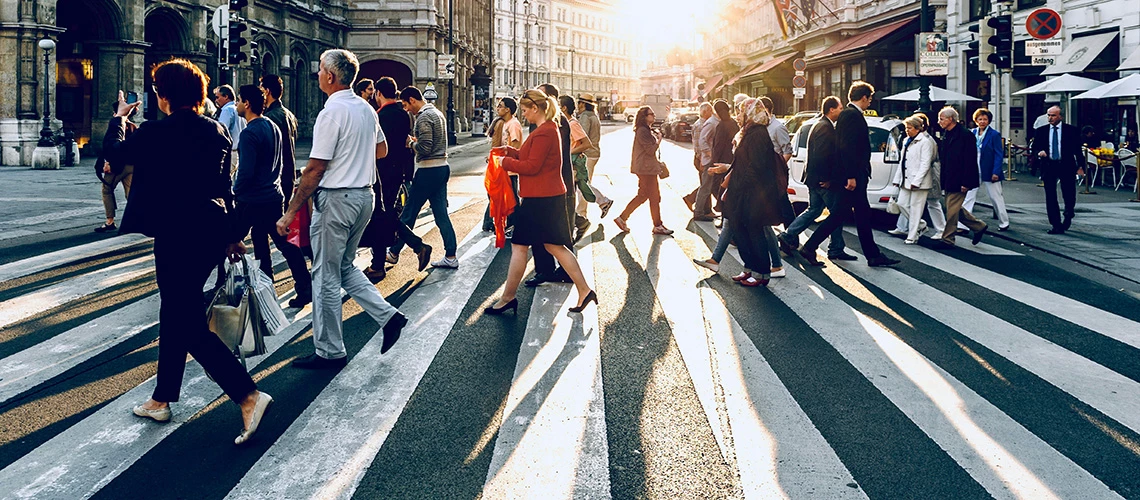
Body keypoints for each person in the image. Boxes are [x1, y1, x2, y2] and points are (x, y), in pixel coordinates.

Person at [103, 59, 271, 444]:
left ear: (164, 96)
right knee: (176, 310)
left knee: (186, 321)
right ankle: (162, 398)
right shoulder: (216, 131)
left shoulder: (156, 132)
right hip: (210, 231)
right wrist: (231, 235)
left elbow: (114, 151)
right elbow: (224, 187)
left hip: (176, 233)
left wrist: (118, 117)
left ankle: (247, 395)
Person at [276, 49, 407, 369]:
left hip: (336, 200)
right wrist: (354, 157)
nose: (317, 74)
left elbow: (315, 169)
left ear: (330, 77)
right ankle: (389, 317)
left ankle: (329, 351)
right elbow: (382, 150)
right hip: (364, 197)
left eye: (320, 69)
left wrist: (291, 211)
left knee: (324, 277)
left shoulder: (331, 112)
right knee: (345, 267)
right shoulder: (366, 109)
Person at [485, 89, 597, 314]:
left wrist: (505, 162)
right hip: (546, 197)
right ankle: (585, 290)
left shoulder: (545, 132)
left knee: (519, 246)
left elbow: (532, 167)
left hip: (541, 199)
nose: (524, 114)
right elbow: (530, 158)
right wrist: (509, 151)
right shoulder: (547, 129)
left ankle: (508, 298)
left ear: (536, 108)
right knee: (553, 245)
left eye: (525, 110)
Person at [796, 81, 899, 267]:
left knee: (854, 213)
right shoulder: (852, 115)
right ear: (864, 97)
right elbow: (848, 147)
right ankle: (811, 247)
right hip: (853, 176)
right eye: (870, 98)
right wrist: (851, 175)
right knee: (847, 214)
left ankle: (871, 254)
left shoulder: (848, 114)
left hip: (853, 174)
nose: (870, 102)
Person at [231, 85, 313, 305]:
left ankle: (230, 289)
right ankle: (303, 286)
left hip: (251, 199)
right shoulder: (272, 126)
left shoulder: (249, 133)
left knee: (229, 240)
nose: (237, 104)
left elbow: (246, 172)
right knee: (281, 243)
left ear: (247, 103)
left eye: (239, 100)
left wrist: (235, 191)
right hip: (272, 196)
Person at [361, 77, 432, 282]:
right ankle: (414, 248)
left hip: (381, 173)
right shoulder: (404, 115)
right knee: (386, 215)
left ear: (379, 94)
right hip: (397, 172)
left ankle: (380, 264)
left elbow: (374, 147)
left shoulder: (379, 116)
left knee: (381, 216)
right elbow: (405, 145)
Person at [387, 85, 460, 269]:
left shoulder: (424, 117)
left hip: (428, 170)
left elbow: (425, 148)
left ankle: (394, 252)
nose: (406, 109)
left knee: (409, 212)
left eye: (405, 104)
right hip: (442, 167)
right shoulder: (437, 113)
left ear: (412, 99)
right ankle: (451, 256)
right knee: (441, 214)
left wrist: (411, 143)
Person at [719, 98, 786, 287]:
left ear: (751, 112)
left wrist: (740, 185)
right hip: (743, 191)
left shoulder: (757, 133)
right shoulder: (748, 131)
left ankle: (761, 273)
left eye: (741, 111)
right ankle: (749, 268)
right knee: (741, 230)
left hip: (754, 193)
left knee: (754, 232)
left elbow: (755, 166)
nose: (738, 115)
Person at [778, 95, 851, 259]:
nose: (841, 110)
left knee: (814, 210)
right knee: (836, 213)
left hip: (813, 177)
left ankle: (788, 234)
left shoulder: (818, 124)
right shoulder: (826, 127)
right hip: (822, 180)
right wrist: (827, 179)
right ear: (831, 109)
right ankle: (836, 248)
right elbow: (821, 155)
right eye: (840, 108)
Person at [524, 83, 578, 287]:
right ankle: (549, 270)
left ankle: (560, 271)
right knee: (547, 231)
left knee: (557, 231)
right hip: (550, 182)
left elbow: (542, 156)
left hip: (554, 183)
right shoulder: (545, 121)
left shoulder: (554, 122)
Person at [613, 106, 673, 236]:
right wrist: (658, 140)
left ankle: (622, 218)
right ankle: (657, 225)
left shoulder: (645, 130)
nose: (654, 115)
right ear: (644, 117)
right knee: (654, 197)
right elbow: (650, 150)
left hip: (646, 168)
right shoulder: (642, 131)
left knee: (643, 195)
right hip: (646, 169)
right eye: (651, 114)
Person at [937, 106, 988, 246]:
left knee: (952, 211)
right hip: (949, 177)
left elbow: (970, 160)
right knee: (953, 208)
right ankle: (979, 226)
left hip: (960, 178)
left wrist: (966, 182)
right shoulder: (947, 133)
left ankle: (947, 239)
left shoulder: (965, 135)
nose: (939, 122)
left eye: (941, 119)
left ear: (950, 119)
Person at [1031, 105, 1082, 234]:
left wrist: (1081, 167)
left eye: (1053, 115)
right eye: (1048, 115)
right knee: (1050, 195)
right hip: (1049, 166)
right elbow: (1034, 148)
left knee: (1069, 193)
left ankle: (1069, 213)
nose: (1050, 118)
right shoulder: (1041, 131)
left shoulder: (1071, 131)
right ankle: (1055, 224)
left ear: (1060, 116)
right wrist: (1039, 152)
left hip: (1066, 165)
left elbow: (1078, 150)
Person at [890, 114, 937, 244]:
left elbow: (925, 164)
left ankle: (912, 235)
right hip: (906, 179)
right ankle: (921, 225)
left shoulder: (925, 142)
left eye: (909, 128)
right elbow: (902, 162)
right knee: (902, 204)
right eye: (906, 128)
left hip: (919, 182)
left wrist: (917, 181)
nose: (907, 130)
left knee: (916, 208)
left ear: (917, 128)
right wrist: (897, 178)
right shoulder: (906, 141)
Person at [573, 93, 614, 229]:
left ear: (583, 104)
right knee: (583, 184)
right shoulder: (594, 115)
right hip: (594, 153)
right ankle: (586, 211)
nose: (577, 106)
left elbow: (582, 137)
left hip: (586, 154)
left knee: (583, 185)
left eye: (579, 103)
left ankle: (587, 211)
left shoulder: (585, 116)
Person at [559, 95, 597, 242]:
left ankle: (580, 223)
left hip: (572, 166)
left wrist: (567, 152)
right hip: (566, 165)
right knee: (564, 200)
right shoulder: (565, 123)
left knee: (565, 200)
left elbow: (586, 143)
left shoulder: (572, 123)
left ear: (564, 108)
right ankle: (579, 223)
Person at [95, 100, 136, 233]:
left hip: (116, 166)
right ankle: (135, 220)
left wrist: (107, 162)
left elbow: (110, 147)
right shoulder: (134, 127)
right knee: (130, 193)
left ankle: (110, 221)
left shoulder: (116, 126)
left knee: (107, 190)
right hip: (131, 166)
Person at [972, 108, 1010, 231]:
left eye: (985, 119)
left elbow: (999, 154)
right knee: (968, 196)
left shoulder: (994, 134)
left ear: (989, 121)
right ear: (976, 120)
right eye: (980, 119)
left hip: (989, 169)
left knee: (995, 197)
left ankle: (1004, 222)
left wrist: (996, 171)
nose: (982, 121)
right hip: (974, 168)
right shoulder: (972, 133)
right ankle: (963, 224)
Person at [686, 102, 717, 219]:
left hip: (702, 157)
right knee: (706, 183)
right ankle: (692, 200)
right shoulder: (701, 125)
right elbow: (699, 145)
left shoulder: (704, 123)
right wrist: (700, 159)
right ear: (705, 112)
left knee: (706, 183)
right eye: (710, 110)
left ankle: (707, 209)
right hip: (701, 158)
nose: (712, 112)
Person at [214, 85, 245, 170]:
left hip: (231, 153)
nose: (216, 100)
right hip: (240, 152)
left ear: (226, 97)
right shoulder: (238, 109)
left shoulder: (226, 110)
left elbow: (221, 132)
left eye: (217, 97)